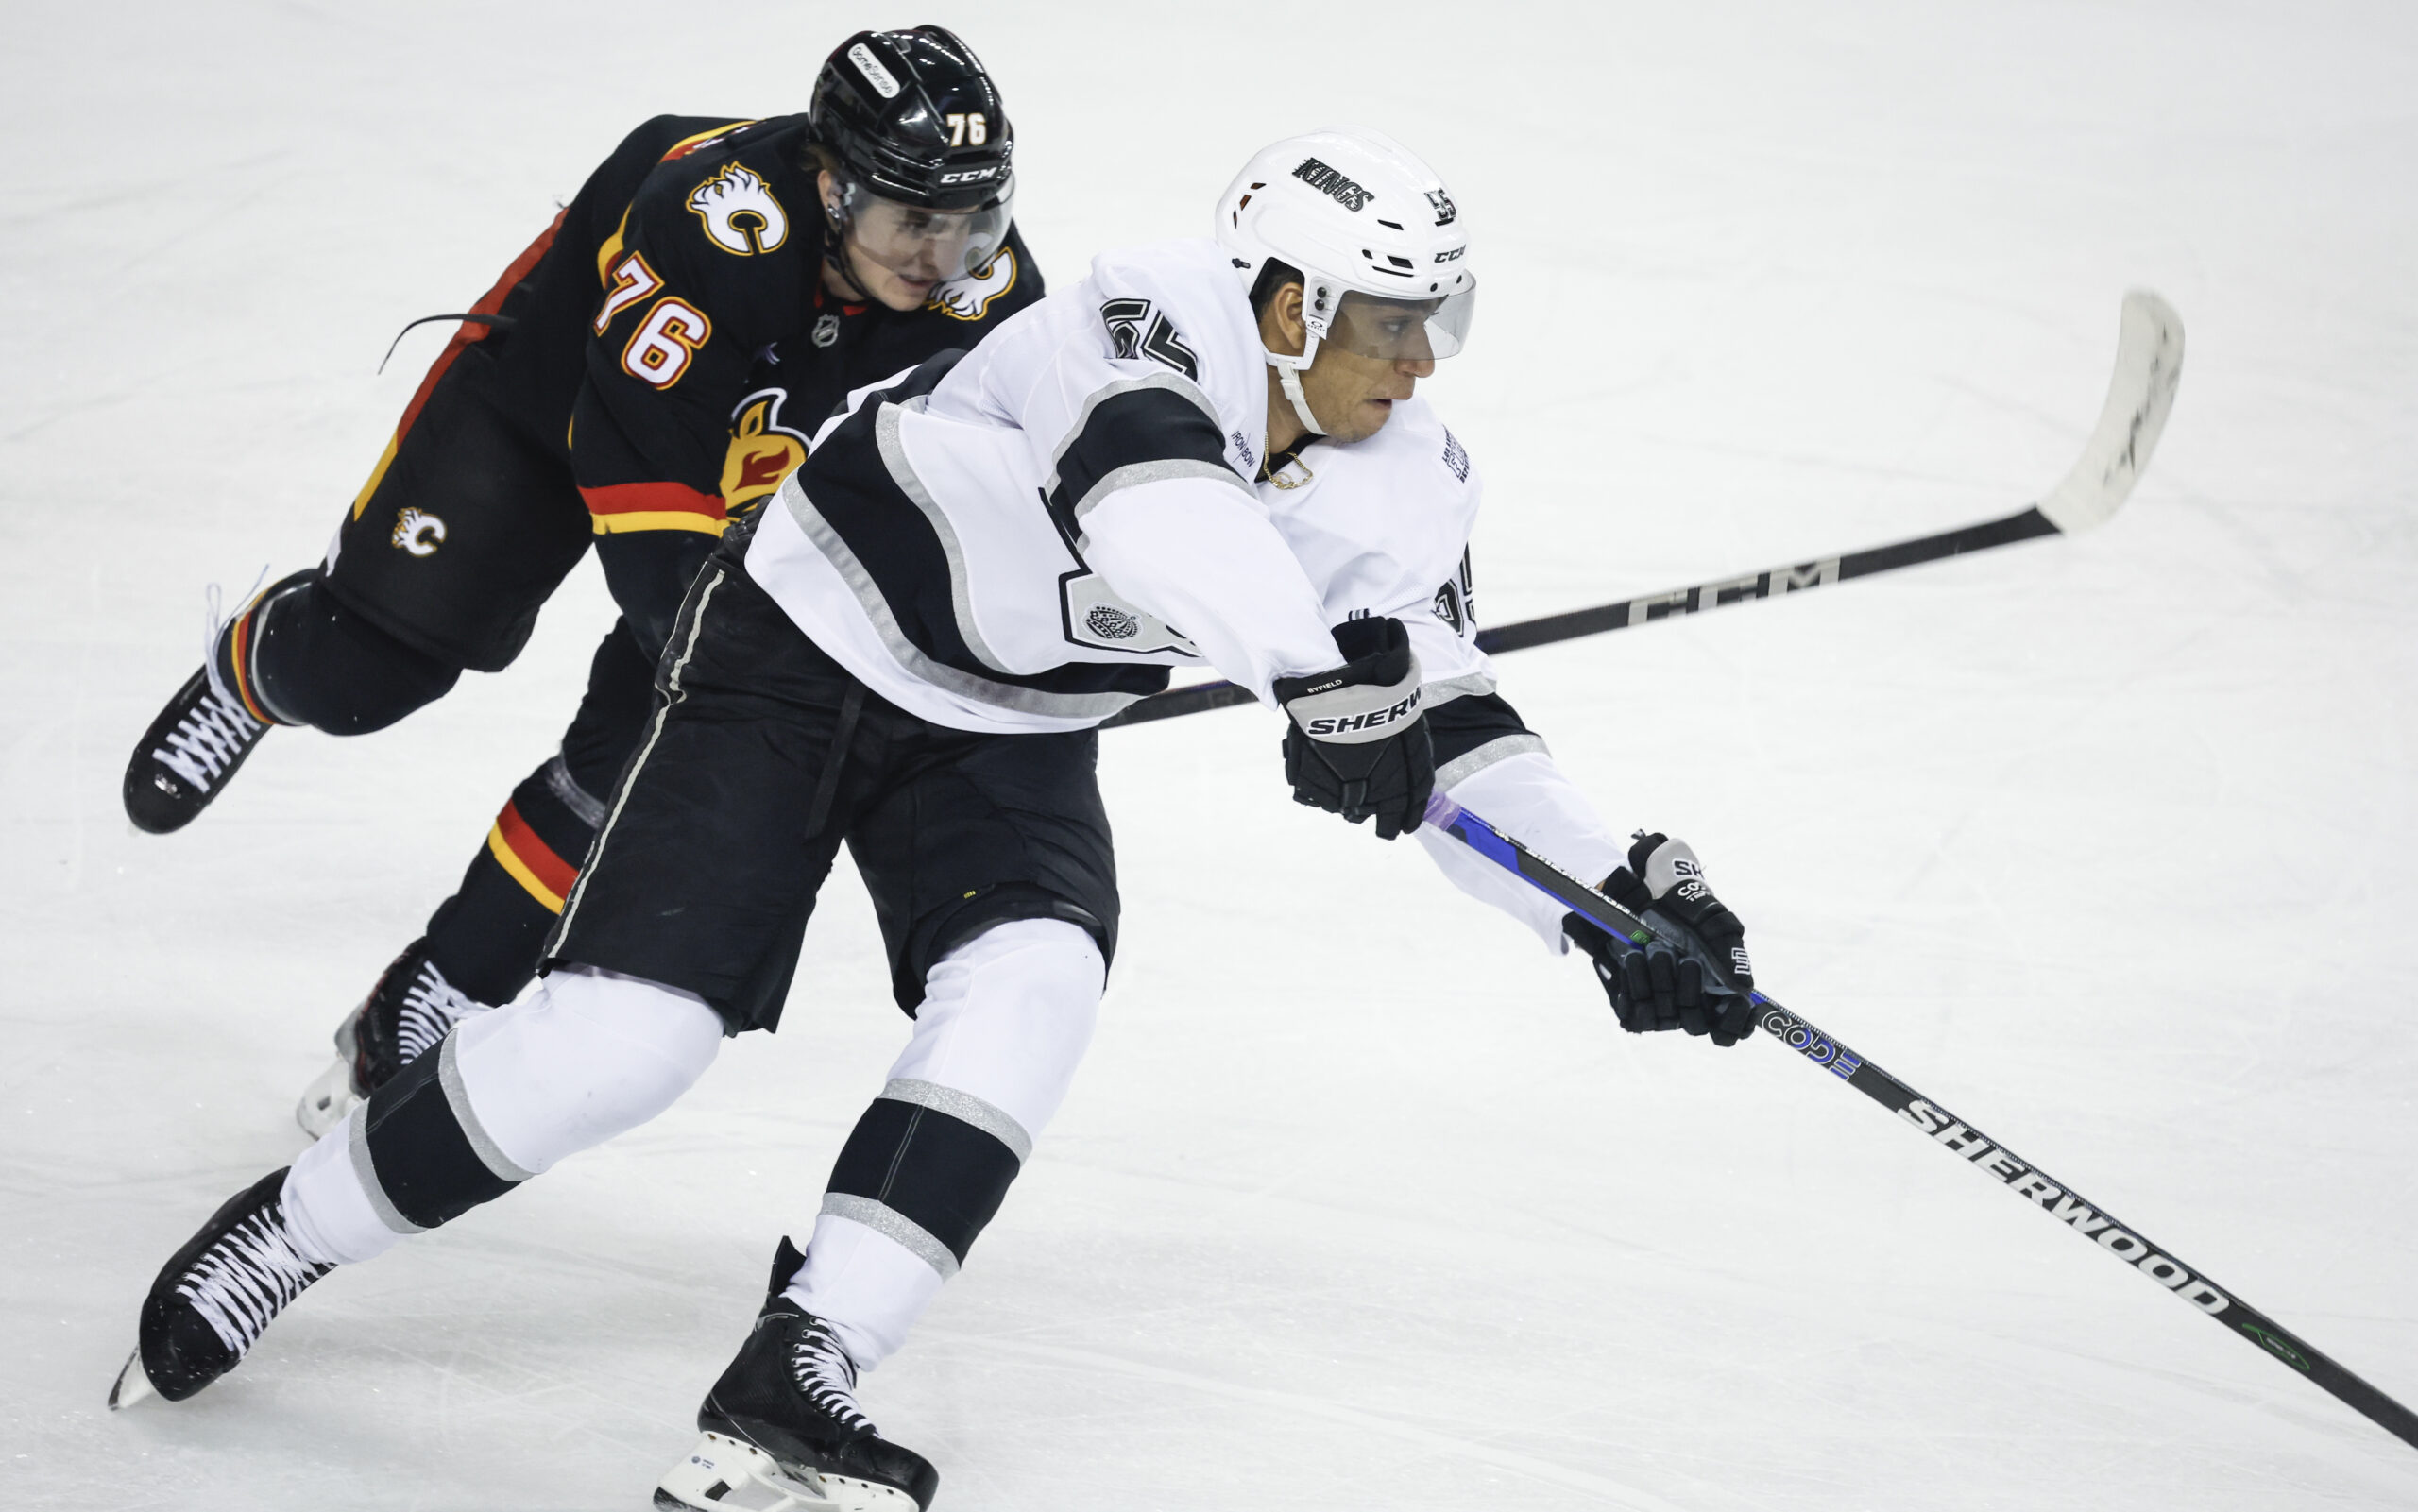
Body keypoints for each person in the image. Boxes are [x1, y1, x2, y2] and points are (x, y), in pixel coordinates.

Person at [109, 127, 1758, 1512]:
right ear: (1281, 299)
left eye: (1440, 319)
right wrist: (1323, 676)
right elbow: (1156, 497)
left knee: (1038, 984)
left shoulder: (1416, 476)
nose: (1421, 362)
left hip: (1006, 733)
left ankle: (798, 1361)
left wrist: (1609, 902)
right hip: (794, 657)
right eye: (1389, 321)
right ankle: (287, 1228)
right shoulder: (1136, 315)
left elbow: (1456, 728)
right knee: (619, 1050)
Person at [115, 28, 1046, 1134]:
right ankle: (264, 665)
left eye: (970, 219)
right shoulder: (721, 220)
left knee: (652, 744)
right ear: (833, 185)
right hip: (552, 412)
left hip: (754, 456)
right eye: (914, 220)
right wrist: (725, 648)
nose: (945, 254)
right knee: (373, 675)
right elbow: (638, 464)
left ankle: (435, 986)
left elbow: (1006, 477)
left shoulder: (984, 280)